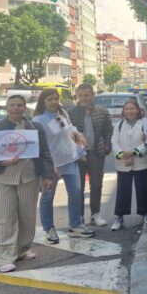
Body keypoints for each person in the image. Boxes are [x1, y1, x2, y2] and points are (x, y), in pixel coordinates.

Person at [0, 95, 55, 273]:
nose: (16, 108)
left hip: (28, 177)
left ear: (25, 108)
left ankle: (21, 249)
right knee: (3, 217)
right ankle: (2, 256)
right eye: (12, 105)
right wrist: (1, 163)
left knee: (27, 216)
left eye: (20, 105)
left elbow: (44, 152)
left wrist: (47, 175)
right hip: (1, 177)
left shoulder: (35, 127)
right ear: (7, 108)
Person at [33, 89, 94, 243]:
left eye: (55, 99)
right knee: (47, 197)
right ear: (43, 102)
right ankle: (49, 228)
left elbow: (70, 128)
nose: (54, 102)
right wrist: (47, 166)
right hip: (51, 165)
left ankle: (75, 225)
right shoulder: (38, 121)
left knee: (75, 193)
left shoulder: (62, 114)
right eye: (49, 99)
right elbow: (39, 146)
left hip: (70, 160)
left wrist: (78, 134)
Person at [68, 83, 113, 226]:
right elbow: (67, 135)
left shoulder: (102, 112)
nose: (84, 98)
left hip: (96, 153)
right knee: (78, 188)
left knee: (96, 185)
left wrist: (106, 147)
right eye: (80, 95)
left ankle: (95, 214)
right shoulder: (70, 113)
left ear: (92, 95)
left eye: (87, 95)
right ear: (77, 96)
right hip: (78, 155)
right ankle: (79, 216)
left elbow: (108, 131)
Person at [111, 99, 147, 229]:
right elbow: (114, 142)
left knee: (143, 189)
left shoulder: (144, 124)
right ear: (123, 111)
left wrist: (136, 152)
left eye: (132, 109)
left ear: (138, 110)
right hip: (123, 163)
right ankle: (119, 217)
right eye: (127, 109)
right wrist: (121, 153)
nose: (129, 111)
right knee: (122, 191)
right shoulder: (118, 125)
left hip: (141, 163)